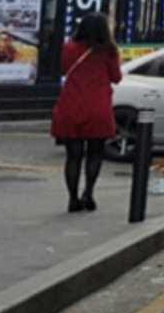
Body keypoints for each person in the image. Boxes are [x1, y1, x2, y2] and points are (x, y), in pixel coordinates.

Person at [50, 14, 122, 214]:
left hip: (71, 105)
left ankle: (72, 198)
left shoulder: (69, 48)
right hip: (98, 107)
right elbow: (116, 78)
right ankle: (88, 193)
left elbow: (63, 69)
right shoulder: (108, 51)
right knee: (95, 153)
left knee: (73, 156)